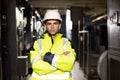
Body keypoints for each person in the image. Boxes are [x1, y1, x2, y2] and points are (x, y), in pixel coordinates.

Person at [30, 9, 76, 80]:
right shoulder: (38, 43)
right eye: (49, 24)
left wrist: (46, 58)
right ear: (45, 25)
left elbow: (69, 63)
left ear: (59, 25)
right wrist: (60, 64)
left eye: (55, 23)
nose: (52, 26)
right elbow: (36, 66)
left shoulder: (67, 43)